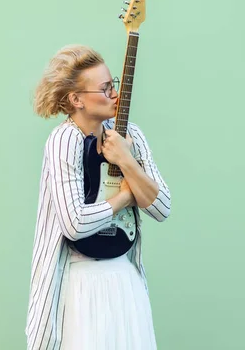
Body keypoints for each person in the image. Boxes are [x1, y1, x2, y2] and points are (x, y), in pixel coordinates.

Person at [26, 44, 171, 350]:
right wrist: (124, 198)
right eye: (104, 89)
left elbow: (162, 207)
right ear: (76, 99)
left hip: (124, 278)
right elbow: (75, 224)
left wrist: (126, 160)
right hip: (79, 284)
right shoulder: (63, 141)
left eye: (113, 85)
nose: (114, 94)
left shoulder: (132, 135)